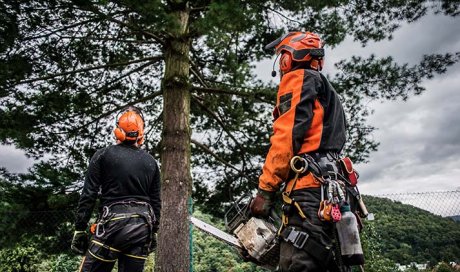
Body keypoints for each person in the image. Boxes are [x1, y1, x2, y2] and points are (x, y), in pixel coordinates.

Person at [250, 32, 352, 272]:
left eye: (282, 57)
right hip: (333, 190)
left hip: (308, 191)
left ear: (289, 57)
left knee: (298, 262)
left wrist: (265, 190)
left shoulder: (298, 79)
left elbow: (286, 138)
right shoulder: (327, 90)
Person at [71, 106, 161, 272]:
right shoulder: (151, 162)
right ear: (140, 134)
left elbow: (89, 194)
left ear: (117, 131)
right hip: (142, 229)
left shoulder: (102, 155)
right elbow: (156, 201)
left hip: (112, 227)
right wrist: (154, 231)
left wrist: (80, 228)